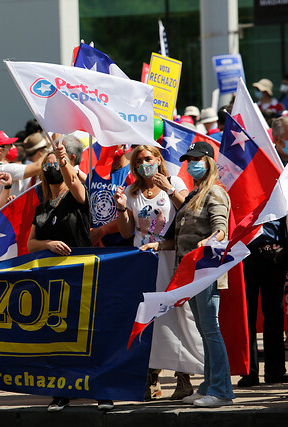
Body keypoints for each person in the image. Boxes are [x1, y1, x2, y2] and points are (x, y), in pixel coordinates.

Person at [27, 142, 111, 412]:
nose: (52, 167)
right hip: (54, 280)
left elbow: (75, 184)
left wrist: (64, 161)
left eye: (56, 163)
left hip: (83, 273)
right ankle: (63, 391)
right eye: (48, 164)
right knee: (61, 334)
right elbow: (31, 244)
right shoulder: (41, 208)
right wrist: (48, 244)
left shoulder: (76, 196)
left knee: (91, 334)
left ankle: (103, 391)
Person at [114, 145, 202, 401]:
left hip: (171, 259)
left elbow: (190, 210)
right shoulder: (132, 192)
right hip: (143, 263)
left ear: (158, 159)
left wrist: (170, 190)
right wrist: (121, 208)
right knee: (147, 319)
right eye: (139, 160)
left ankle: (183, 379)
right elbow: (126, 232)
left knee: (176, 316)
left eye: (148, 159)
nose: (144, 164)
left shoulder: (173, 181)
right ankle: (150, 378)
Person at [164, 141, 235, 407]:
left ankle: (221, 391)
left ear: (208, 162)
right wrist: (157, 244)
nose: (192, 164)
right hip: (190, 273)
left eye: (197, 159)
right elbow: (180, 236)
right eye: (189, 159)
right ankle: (208, 386)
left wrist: (210, 240)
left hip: (205, 271)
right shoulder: (194, 195)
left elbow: (221, 228)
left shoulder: (215, 192)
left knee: (210, 330)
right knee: (205, 332)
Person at [238, 116, 288, 388]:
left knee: (275, 314)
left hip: (278, 254)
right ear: (275, 138)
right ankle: (249, 371)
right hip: (249, 252)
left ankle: (276, 371)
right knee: (248, 313)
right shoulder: (255, 165)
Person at [0, 131, 42, 196]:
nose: (14, 147)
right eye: (10, 145)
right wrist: (50, 149)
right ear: (1, 151)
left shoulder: (0, 168)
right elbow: (38, 167)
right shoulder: (4, 169)